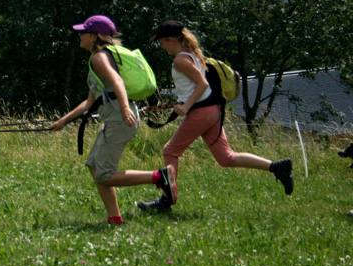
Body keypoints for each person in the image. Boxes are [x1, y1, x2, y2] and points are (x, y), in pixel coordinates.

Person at [138, 20, 294, 212]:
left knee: (170, 151)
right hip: (213, 111)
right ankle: (277, 167)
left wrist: (186, 106)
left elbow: (202, 84)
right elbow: (196, 88)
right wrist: (179, 103)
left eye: (162, 42)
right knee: (226, 158)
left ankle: (166, 201)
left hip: (201, 112)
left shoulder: (180, 60)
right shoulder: (194, 55)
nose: (161, 46)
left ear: (171, 39)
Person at [52, 14, 176, 225]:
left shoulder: (99, 57)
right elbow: (90, 101)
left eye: (83, 32)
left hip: (121, 119)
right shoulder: (100, 58)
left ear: (95, 36)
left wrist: (125, 108)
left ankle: (158, 176)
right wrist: (63, 121)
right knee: (94, 165)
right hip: (117, 118)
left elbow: (117, 81)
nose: (79, 35)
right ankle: (115, 218)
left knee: (104, 175)